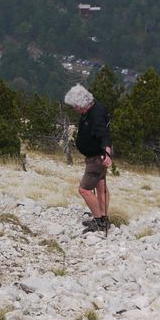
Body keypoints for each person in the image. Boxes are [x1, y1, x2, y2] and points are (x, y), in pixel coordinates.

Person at [64, 84, 112, 234]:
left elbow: (103, 133)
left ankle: (98, 222)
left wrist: (107, 152)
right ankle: (103, 218)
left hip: (97, 158)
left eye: (75, 106)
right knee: (101, 184)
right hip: (97, 155)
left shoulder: (95, 114)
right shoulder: (93, 108)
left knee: (84, 189)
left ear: (81, 104)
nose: (74, 109)